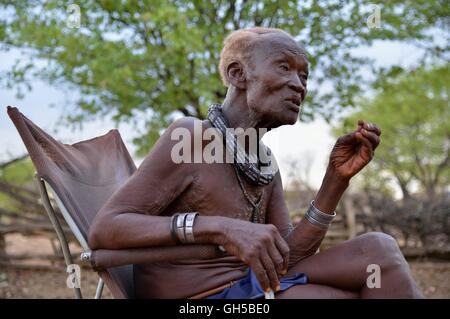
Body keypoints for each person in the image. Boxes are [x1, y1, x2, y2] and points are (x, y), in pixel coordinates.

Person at [88, 27, 423, 299]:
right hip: (202, 298)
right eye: (284, 67)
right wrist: (220, 226)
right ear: (238, 74)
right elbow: (105, 229)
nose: (299, 85)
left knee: (379, 250)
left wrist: (335, 181)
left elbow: (289, 258)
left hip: (253, 287)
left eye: (304, 76)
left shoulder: (264, 162)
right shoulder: (190, 138)